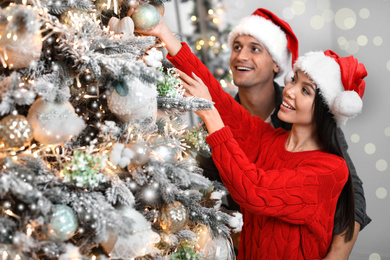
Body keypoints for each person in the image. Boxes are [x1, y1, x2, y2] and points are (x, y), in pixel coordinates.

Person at [130, 6, 371, 258]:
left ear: (324, 109)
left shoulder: (330, 168)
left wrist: (210, 116)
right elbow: (220, 101)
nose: (290, 91)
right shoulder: (268, 137)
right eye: (294, 80)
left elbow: (254, 191)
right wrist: (165, 34)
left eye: (305, 90)